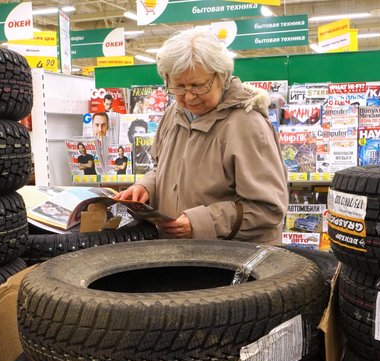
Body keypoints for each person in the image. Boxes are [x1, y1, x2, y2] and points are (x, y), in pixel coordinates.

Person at [114, 28, 288, 245]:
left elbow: (268, 209)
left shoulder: (246, 124)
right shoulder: (173, 113)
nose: (188, 96)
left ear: (221, 76)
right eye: (178, 86)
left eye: (198, 86)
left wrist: (203, 222)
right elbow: (162, 168)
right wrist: (146, 187)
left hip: (233, 263)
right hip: (182, 257)